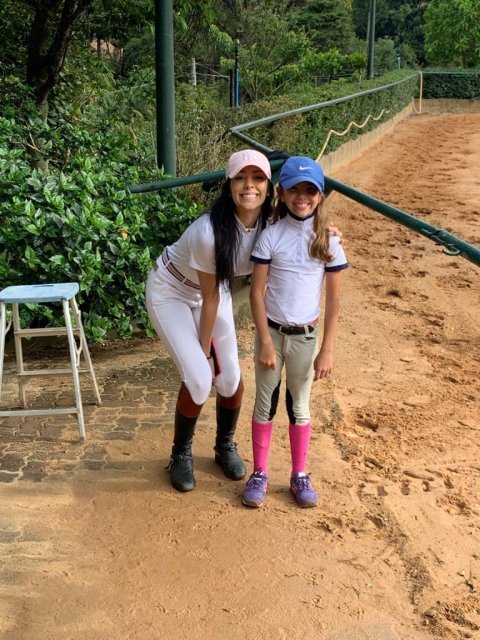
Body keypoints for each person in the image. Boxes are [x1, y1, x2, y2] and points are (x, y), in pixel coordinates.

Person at [146, 149, 275, 492]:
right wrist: (204, 353)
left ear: (268, 184)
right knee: (201, 379)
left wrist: (329, 234)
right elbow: (211, 297)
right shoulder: (209, 231)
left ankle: (224, 445)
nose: (249, 185)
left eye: (258, 177)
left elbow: (307, 226)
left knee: (230, 379)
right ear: (228, 185)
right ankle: (180, 453)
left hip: (213, 292)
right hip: (171, 290)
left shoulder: (272, 224)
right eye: (240, 178)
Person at [242, 156, 349, 509]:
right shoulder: (271, 236)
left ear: (320, 195)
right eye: (294, 189)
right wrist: (264, 341)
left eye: (310, 190)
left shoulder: (328, 241)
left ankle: (299, 474)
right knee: (265, 402)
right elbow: (257, 293)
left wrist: (327, 350)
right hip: (272, 334)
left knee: (299, 405)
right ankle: (260, 471)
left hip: (305, 337)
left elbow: (333, 301)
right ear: (281, 193)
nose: (302, 196)